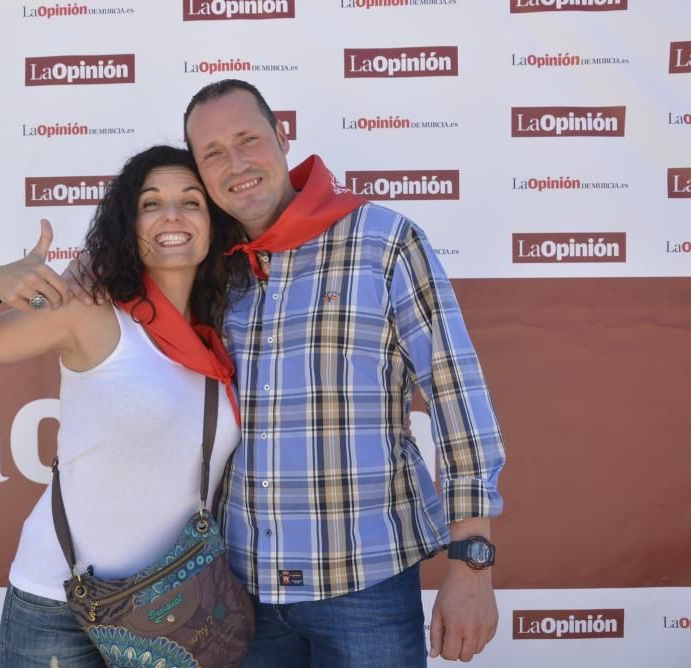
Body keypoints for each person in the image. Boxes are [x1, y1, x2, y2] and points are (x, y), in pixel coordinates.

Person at [67, 80, 506, 666]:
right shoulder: (208, 265)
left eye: (248, 139)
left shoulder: (384, 242)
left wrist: (472, 563)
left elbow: (458, 398)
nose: (236, 164)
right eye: (213, 154)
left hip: (364, 585)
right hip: (241, 593)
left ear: (282, 137)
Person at [0, 145, 245, 667]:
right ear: (127, 223)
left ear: (215, 222)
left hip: (176, 607)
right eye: (151, 202)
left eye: (192, 201)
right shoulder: (91, 314)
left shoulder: (226, 330)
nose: (172, 216)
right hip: (57, 604)